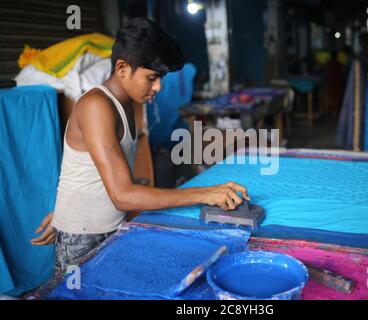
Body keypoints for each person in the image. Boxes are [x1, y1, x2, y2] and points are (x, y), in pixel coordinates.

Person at [31, 18, 249, 272]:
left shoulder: (126, 105)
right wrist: (206, 193)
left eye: (161, 78)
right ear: (122, 68)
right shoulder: (96, 106)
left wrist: (63, 209)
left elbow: (88, 172)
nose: (158, 87)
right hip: (83, 238)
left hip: (110, 226)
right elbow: (123, 195)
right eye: (152, 78)